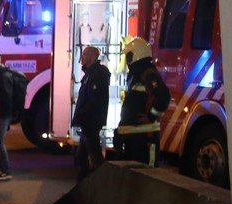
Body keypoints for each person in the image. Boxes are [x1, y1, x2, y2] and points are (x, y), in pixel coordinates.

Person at [115, 36, 170, 166]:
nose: (127, 60)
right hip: (135, 137)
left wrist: (151, 116)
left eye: (128, 56)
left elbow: (163, 96)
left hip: (145, 139)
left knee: (147, 178)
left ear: (135, 55)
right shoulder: (139, 74)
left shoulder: (148, 74)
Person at [73, 46, 111, 178]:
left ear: (93, 57)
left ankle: (101, 183)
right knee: (81, 156)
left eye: (84, 54)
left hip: (90, 122)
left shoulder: (96, 75)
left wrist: (82, 114)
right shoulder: (91, 74)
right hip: (88, 122)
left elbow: (94, 100)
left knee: (94, 156)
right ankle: (85, 183)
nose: (81, 57)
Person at [0, 50, 22, 181]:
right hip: (2, 114)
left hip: (3, 114)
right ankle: (1, 169)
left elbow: (5, 98)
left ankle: (5, 170)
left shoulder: (2, 76)